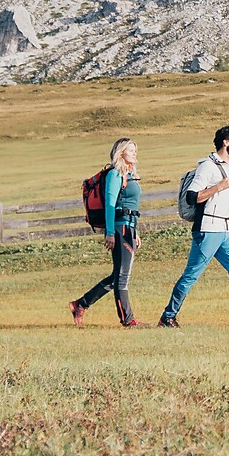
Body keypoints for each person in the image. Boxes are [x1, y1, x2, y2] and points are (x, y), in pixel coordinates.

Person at [158, 124, 229, 327]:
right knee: (192, 274)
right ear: (226, 142)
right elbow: (192, 196)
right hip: (208, 229)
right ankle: (167, 316)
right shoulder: (208, 167)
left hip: (225, 230)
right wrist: (218, 187)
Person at [71, 137, 144, 327]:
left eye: (135, 150)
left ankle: (80, 304)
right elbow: (111, 206)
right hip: (119, 229)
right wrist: (110, 233)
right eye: (130, 150)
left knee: (118, 276)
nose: (134, 153)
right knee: (121, 278)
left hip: (129, 228)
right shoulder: (115, 174)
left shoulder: (131, 174)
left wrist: (135, 231)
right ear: (120, 153)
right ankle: (128, 320)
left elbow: (131, 205)